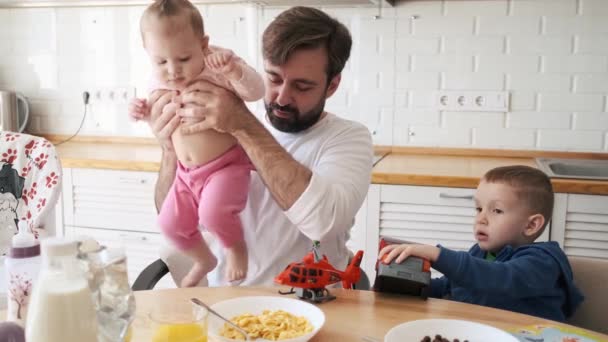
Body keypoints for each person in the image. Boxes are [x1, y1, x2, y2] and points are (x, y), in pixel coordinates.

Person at [132, 6, 373, 286]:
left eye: (302, 86)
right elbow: (177, 213)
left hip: (310, 306)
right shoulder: (221, 115)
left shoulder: (348, 138)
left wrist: (242, 124)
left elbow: (322, 223)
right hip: (227, 304)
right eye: (274, 78)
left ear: (331, 86)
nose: (282, 97)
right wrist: (170, 150)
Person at [128, 0, 265, 286]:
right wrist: (140, 110)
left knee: (213, 214)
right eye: (161, 61)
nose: (173, 71)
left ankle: (236, 249)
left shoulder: (216, 67)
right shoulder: (156, 79)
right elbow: (155, 112)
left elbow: (255, 91)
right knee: (169, 226)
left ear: (203, 45)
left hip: (225, 167)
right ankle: (204, 259)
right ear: (148, 54)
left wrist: (233, 70)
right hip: (185, 175)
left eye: (184, 59)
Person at [379, 165, 584, 322]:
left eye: (496, 211)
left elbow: (499, 279)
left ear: (531, 225)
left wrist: (437, 255)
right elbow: (448, 286)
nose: (481, 219)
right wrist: (405, 287)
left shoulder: (541, 263)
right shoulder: (479, 253)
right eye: (478, 209)